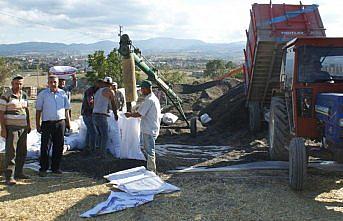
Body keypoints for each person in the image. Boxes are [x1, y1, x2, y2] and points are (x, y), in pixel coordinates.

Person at [36, 75, 71, 176]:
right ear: (48, 83)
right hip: (47, 123)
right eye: (51, 82)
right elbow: (38, 110)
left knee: (59, 146)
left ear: (57, 82)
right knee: (45, 146)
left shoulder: (63, 93)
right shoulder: (43, 94)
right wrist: (37, 124)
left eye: (55, 82)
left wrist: (68, 123)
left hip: (60, 123)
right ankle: (43, 168)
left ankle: (55, 168)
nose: (53, 84)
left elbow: (66, 109)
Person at [0, 76, 31, 185]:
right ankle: (9, 176)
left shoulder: (24, 95)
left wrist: (29, 124)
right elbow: (1, 114)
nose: (18, 86)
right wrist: (3, 129)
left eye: (20, 84)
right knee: (11, 152)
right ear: (12, 84)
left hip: (23, 127)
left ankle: (19, 172)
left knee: (22, 151)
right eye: (16, 84)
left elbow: (26, 111)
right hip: (11, 128)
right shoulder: (6, 96)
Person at [125, 80, 161, 172]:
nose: (141, 91)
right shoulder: (153, 99)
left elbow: (140, 114)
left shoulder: (149, 100)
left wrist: (130, 115)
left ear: (147, 89)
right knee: (149, 149)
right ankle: (151, 168)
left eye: (142, 89)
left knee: (149, 150)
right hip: (151, 128)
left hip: (149, 129)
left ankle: (151, 170)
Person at [92, 76, 118, 157]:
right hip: (101, 116)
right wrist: (115, 114)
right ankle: (103, 154)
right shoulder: (109, 91)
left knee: (99, 135)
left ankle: (97, 152)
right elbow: (113, 104)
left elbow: (95, 104)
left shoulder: (97, 91)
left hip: (94, 115)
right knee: (104, 136)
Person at [81, 80, 100, 154]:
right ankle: (93, 149)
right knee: (93, 132)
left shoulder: (94, 90)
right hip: (88, 114)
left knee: (89, 131)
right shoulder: (91, 91)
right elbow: (91, 103)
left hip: (87, 114)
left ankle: (87, 147)